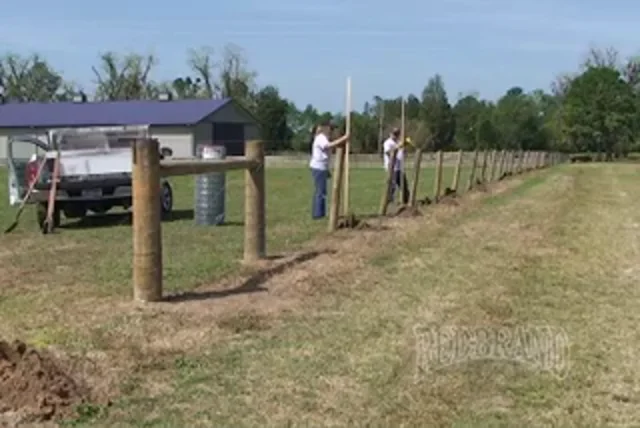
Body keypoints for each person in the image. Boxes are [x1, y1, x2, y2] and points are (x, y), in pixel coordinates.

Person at [309, 120, 349, 219]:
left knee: (322, 191)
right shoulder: (321, 138)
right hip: (319, 167)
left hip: (322, 167)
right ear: (325, 128)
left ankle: (320, 213)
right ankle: (318, 214)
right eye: (331, 128)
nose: (332, 131)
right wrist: (344, 138)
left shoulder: (324, 138)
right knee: (320, 191)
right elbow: (328, 146)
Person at [383, 128, 410, 204]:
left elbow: (403, 154)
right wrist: (399, 146)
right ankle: (389, 201)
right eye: (394, 134)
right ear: (391, 134)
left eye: (397, 134)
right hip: (391, 167)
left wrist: (404, 148)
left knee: (404, 185)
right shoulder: (387, 143)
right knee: (392, 185)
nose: (396, 135)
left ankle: (406, 202)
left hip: (399, 167)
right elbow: (389, 153)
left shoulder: (399, 142)